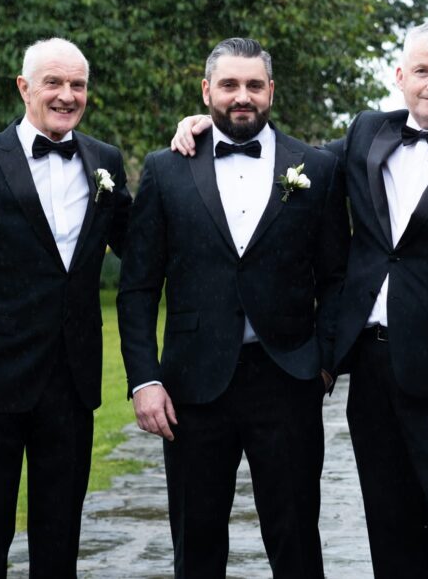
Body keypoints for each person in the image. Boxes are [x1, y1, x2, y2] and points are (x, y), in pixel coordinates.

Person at [171, 21, 428, 579]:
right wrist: (214, 129)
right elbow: (292, 165)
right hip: (373, 372)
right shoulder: (369, 133)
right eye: (421, 71)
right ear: (400, 77)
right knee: (389, 528)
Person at [119, 37, 348, 579]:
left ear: (270, 90)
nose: (241, 96)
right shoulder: (165, 168)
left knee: (295, 540)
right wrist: (144, 380)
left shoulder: (316, 167)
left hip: (288, 379)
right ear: (206, 92)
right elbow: (137, 287)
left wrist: (324, 359)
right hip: (192, 387)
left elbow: (337, 275)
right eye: (228, 85)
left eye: (253, 85)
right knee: (195, 546)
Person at [0, 37, 132, 578]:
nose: (67, 95)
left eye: (78, 85)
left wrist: (196, 134)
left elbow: (144, 244)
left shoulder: (105, 162)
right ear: (24, 88)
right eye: (54, 83)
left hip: (72, 380)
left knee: (60, 541)